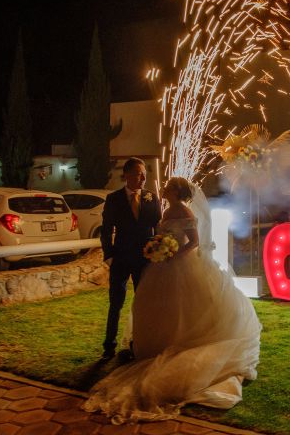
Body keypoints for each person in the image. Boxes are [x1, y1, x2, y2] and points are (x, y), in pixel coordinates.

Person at [84, 177, 262, 423]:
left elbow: (195, 242)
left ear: (177, 191)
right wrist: (158, 248)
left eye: (168, 186)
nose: (163, 188)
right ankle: (158, 345)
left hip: (182, 265)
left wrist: (173, 253)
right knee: (159, 308)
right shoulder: (166, 209)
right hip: (162, 266)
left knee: (185, 307)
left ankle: (182, 343)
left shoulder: (184, 210)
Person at [100, 157, 162, 359]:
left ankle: (139, 342)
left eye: (144, 173)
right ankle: (109, 345)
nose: (142, 177)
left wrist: (157, 249)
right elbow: (106, 230)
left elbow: (158, 228)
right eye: (137, 173)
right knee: (115, 303)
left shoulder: (152, 198)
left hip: (144, 260)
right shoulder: (114, 199)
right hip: (120, 258)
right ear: (126, 175)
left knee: (142, 303)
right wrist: (109, 256)